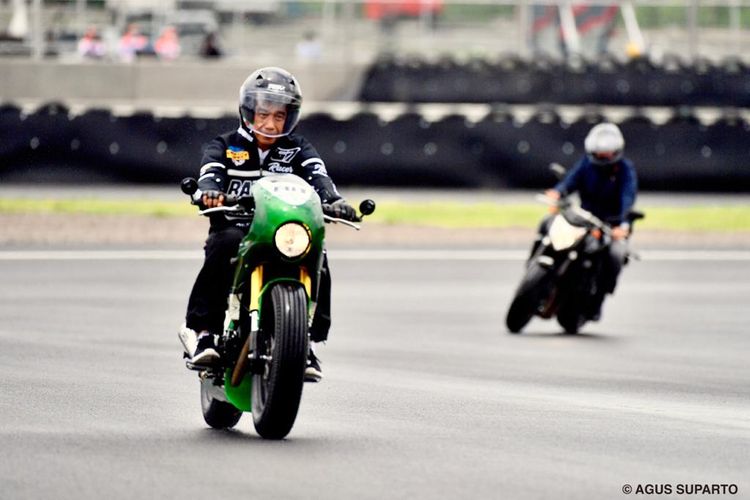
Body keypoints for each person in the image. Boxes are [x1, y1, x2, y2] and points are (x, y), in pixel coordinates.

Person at [182, 67, 358, 383]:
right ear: (248, 112)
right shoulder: (223, 145)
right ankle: (203, 332)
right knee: (223, 244)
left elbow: (320, 177)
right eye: (264, 113)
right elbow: (209, 174)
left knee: (318, 251)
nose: (270, 123)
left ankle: (305, 341)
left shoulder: (299, 149)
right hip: (237, 227)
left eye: (279, 116)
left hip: (283, 230)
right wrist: (208, 192)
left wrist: (335, 200)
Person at [542, 122, 638, 318]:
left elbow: (627, 198)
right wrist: (558, 193)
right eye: (599, 153)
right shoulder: (586, 164)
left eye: (607, 154)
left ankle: (598, 299)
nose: (603, 157)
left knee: (615, 255)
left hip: (612, 224)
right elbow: (571, 180)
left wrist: (623, 225)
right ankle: (539, 265)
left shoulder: (625, 170)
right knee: (548, 223)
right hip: (584, 218)